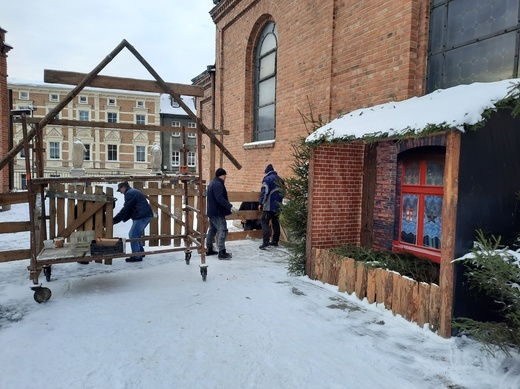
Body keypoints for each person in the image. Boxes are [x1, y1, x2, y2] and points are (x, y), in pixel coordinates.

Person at [113, 181, 154, 262]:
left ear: (123, 187)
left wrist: (115, 220)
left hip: (141, 216)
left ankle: (136, 256)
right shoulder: (133, 191)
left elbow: (126, 208)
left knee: (133, 234)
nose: (120, 192)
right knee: (136, 234)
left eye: (120, 190)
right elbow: (130, 208)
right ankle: (140, 252)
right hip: (144, 215)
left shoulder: (129, 193)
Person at [206, 168, 238, 259]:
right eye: (225, 175)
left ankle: (209, 249)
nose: (226, 177)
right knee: (223, 230)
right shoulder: (218, 184)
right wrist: (230, 206)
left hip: (212, 211)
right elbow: (219, 198)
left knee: (212, 230)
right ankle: (222, 252)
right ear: (222, 175)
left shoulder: (212, 183)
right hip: (217, 212)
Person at [258, 164, 284, 250]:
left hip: (268, 206)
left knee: (264, 222)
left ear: (267, 172)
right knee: (275, 223)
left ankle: (265, 242)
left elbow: (264, 192)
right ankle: (275, 241)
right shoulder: (280, 180)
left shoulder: (267, 179)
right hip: (278, 205)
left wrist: (261, 203)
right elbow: (283, 192)